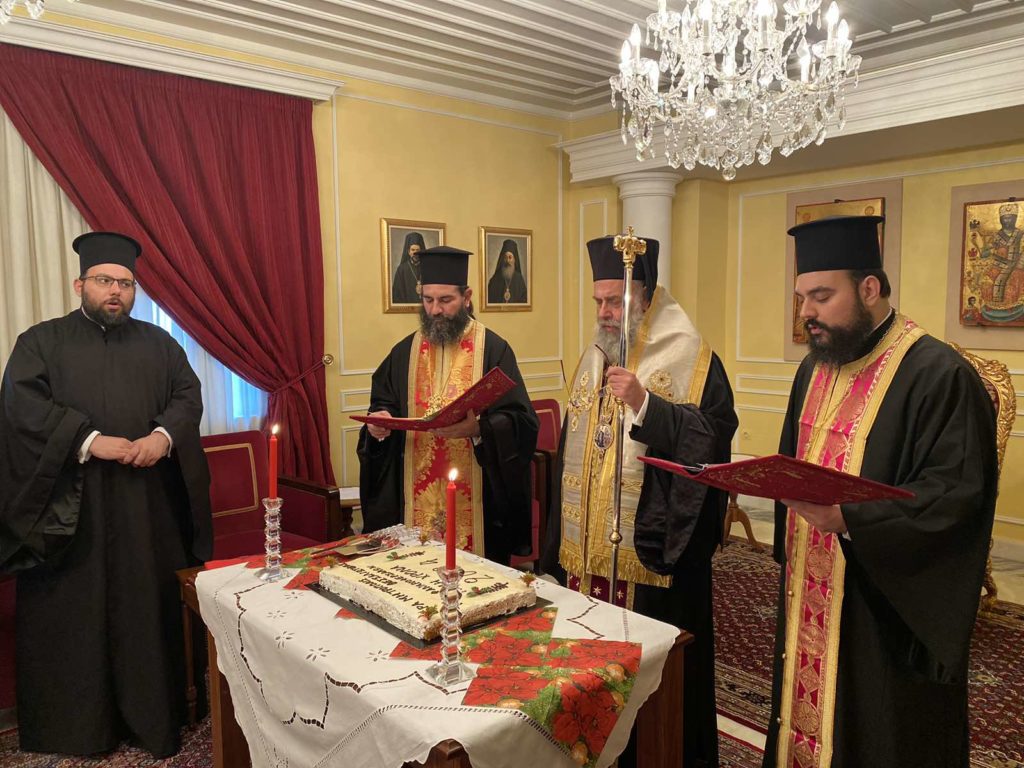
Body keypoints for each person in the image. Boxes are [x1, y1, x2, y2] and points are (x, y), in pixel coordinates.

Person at [762, 215, 998, 768]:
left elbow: (955, 497)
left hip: (885, 607)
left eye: (822, 296)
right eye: (801, 298)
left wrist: (851, 519)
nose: (806, 313)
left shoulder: (939, 375)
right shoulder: (815, 368)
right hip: (811, 584)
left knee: (878, 731)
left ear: (870, 288)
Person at [0, 232, 212, 758]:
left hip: (147, 509)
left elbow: (188, 396)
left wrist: (162, 437)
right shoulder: (40, 342)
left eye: (125, 283)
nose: (115, 291)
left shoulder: (160, 344)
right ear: (80, 285)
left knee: (146, 608)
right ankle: (77, 727)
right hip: (71, 511)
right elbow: (22, 408)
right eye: (104, 281)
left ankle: (154, 716)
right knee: (76, 614)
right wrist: (89, 441)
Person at [542, 234, 738, 768]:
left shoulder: (693, 358)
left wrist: (647, 404)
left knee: (651, 700)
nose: (604, 312)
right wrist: (554, 549)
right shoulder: (594, 356)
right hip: (585, 563)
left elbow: (713, 440)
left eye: (615, 301)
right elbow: (569, 458)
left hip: (649, 564)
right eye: (599, 301)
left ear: (646, 296)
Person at [359, 245, 538, 565]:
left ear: (466, 297)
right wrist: (379, 423)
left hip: (479, 503)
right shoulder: (404, 352)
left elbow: (521, 421)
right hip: (415, 502)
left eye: (445, 300)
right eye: (428, 300)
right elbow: (384, 403)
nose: (435, 310)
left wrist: (479, 429)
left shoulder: (493, 349)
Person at [486, 238, 528, 304]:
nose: (507, 260)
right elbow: (489, 300)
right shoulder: (495, 279)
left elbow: (524, 301)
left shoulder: (519, 279)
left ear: (514, 260)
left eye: (510, 257)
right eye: (505, 257)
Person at [392, 231, 426, 304]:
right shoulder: (401, 270)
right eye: (413, 250)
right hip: (406, 309)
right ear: (408, 252)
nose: (415, 253)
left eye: (418, 250)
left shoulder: (428, 268)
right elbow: (397, 295)